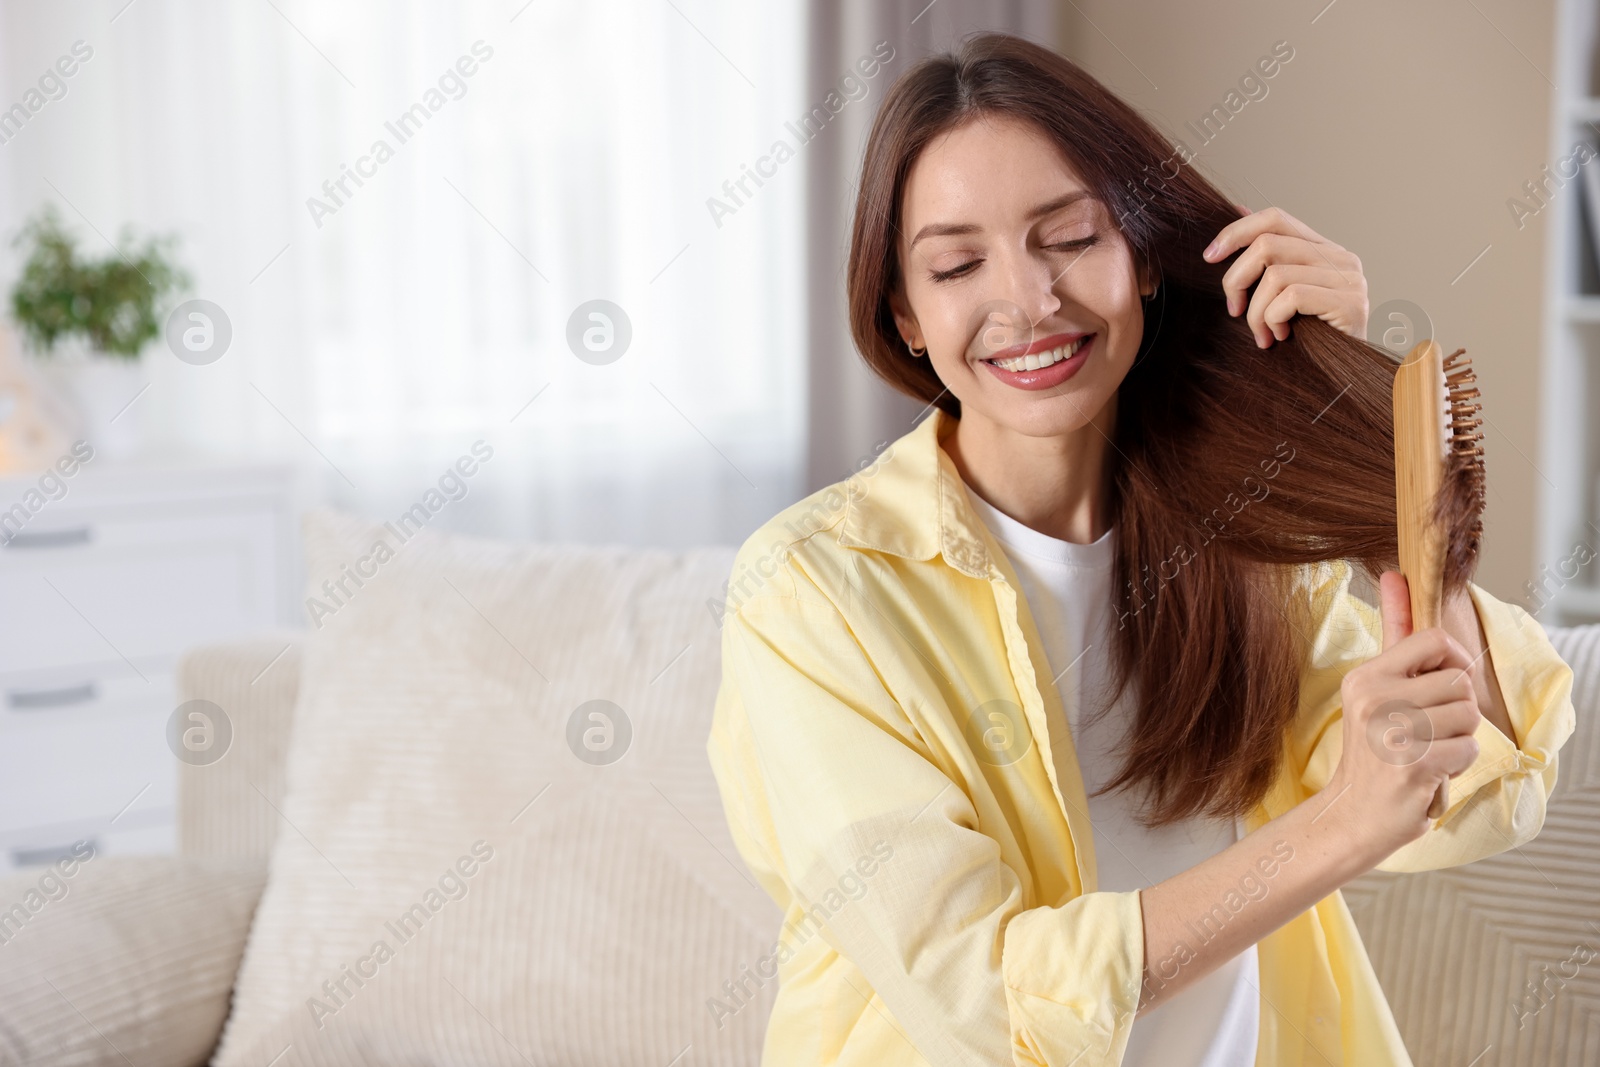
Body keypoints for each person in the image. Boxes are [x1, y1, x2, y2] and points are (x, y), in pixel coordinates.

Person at [706, 32, 1575, 1067]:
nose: (1028, 301)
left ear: (1146, 259)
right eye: (956, 263)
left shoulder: (1238, 541)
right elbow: (984, 995)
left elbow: (1480, 795)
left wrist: (1335, 399)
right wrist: (1340, 824)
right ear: (905, 312)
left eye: (1069, 236)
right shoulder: (814, 591)